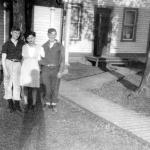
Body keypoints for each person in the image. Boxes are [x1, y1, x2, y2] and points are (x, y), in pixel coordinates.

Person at [39, 28, 66, 112]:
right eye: (50, 34)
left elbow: (62, 60)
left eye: (54, 34)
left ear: (56, 35)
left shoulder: (59, 46)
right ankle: (47, 103)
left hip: (56, 69)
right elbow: (39, 58)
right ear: (48, 35)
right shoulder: (43, 46)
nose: (52, 36)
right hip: (46, 69)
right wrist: (44, 64)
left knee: (55, 87)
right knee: (47, 87)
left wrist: (60, 71)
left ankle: (54, 104)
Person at [20, 31, 45, 112]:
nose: (30, 39)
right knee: (25, 86)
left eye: (31, 37)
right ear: (26, 39)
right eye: (28, 38)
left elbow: (42, 58)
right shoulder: (24, 47)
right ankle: (26, 103)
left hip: (34, 69)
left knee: (34, 87)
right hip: (25, 68)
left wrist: (40, 68)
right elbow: (23, 59)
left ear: (34, 37)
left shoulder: (40, 47)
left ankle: (33, 104)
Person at [1, 26, 24, 113]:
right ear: (11, 33)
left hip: (18, 64)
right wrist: (5, 70)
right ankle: (10, 105)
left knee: (17, 85)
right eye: (15, 32)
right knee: (8, 85)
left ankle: (17, 105)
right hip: (8, 63)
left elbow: (25, 54)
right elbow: (3, 59)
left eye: (18, 33)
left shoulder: (22, 43)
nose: (17, 34)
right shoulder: (6, 44)